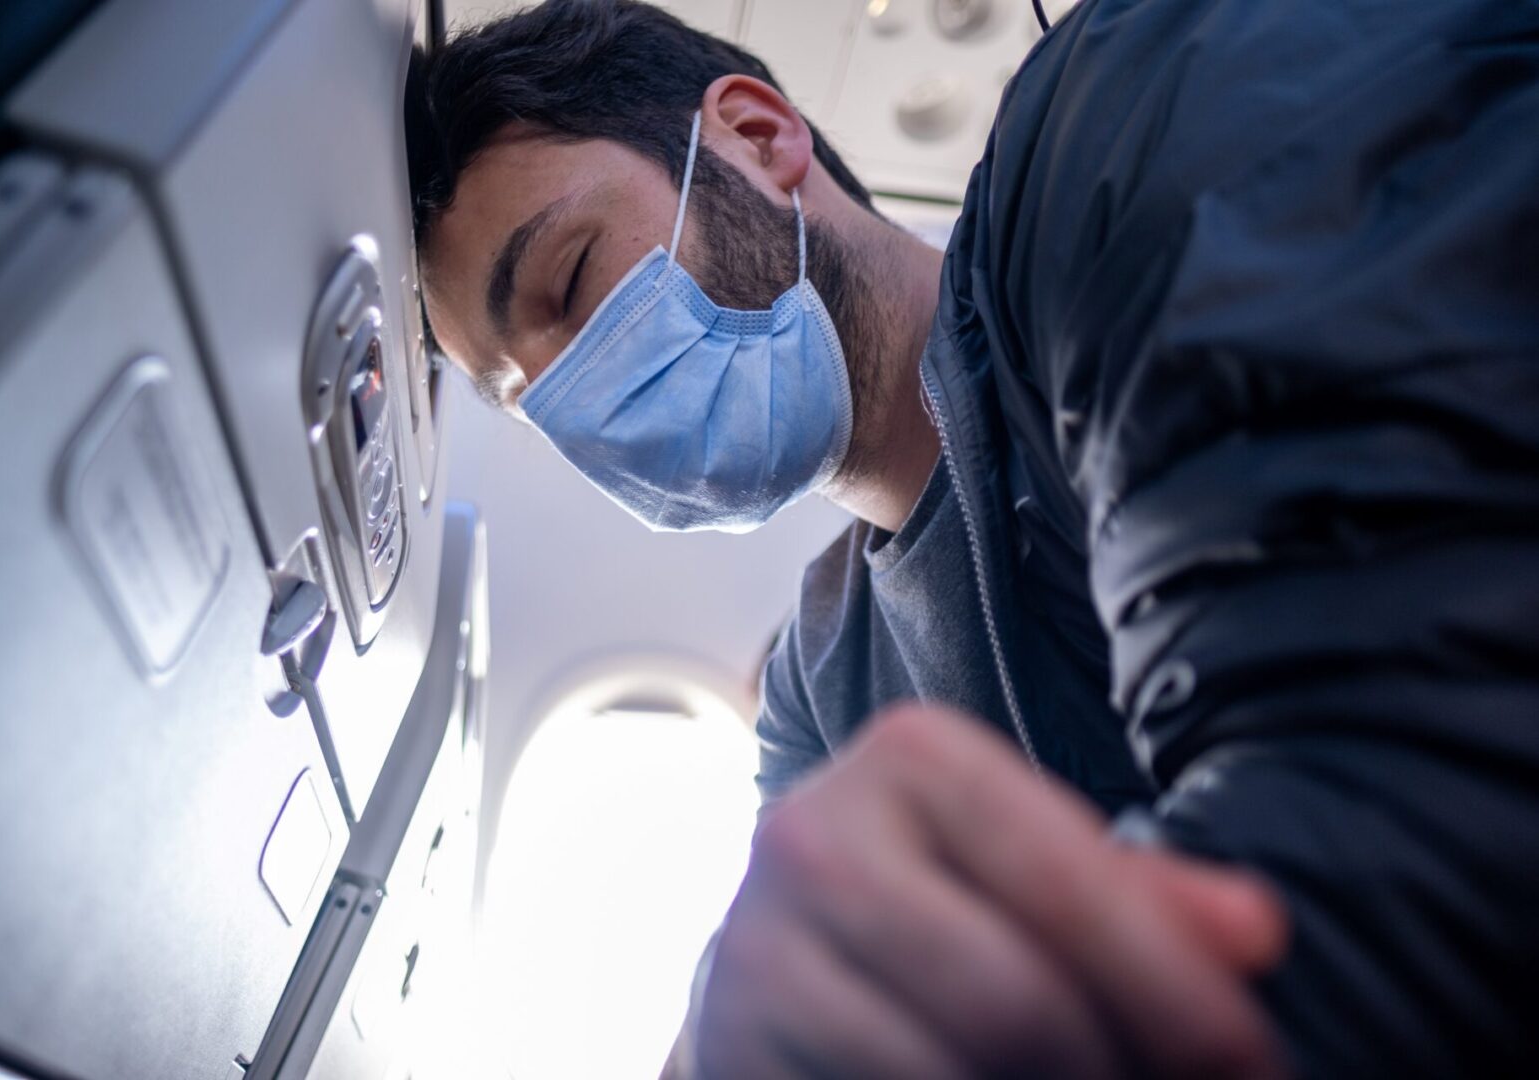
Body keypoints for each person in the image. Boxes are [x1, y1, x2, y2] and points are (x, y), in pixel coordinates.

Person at [406, 0, 1539, 1075]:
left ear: (757, 138)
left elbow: (1419, 811)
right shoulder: (821, 683)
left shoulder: (1108, 168)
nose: (576, 402)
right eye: (524, 401)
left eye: (572, 280)